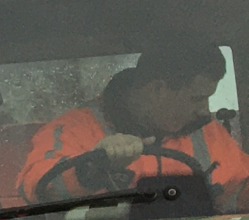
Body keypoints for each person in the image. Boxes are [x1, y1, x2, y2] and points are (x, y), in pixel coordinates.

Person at [17, 39, 246, 209]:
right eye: (196, 98)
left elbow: (242, 184)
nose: (204, 109)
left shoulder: (206, 131)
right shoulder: (74, 128)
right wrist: (93, 167)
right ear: (158, 89)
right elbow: (34, 186)